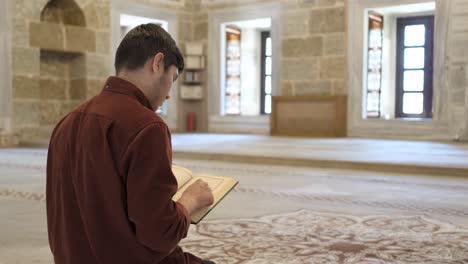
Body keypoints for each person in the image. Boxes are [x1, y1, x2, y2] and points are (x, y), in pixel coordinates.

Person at [46, 23, 216, 264]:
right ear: (157, 63)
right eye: (173, 78)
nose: (169, 93)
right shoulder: (147, 125)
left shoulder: (67, 122)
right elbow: (160, 234)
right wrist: (190, 200)